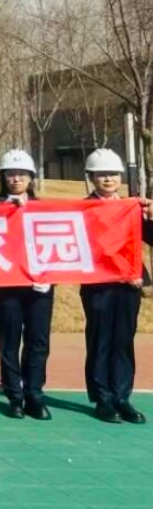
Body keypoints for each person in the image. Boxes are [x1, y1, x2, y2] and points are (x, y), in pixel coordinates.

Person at [80, 148, 149, 424]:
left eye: (112, 174)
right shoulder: (83, 209)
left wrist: (151, 215)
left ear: (121, 177)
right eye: (101, 175)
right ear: (91, 177)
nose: (108, 179)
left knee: (123, 340)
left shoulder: (132, 207)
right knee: (100, 340)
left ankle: (122, 397)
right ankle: (103, 399)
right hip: (99, 284)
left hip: (129, 284)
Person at [0, 149, 52, 420]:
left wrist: (47, 277)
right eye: (11, 174)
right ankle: (14, 396)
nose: (16, 179)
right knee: (9, 341)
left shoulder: (44, 208)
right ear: (3, 177)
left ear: (31, 177)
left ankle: (34, 394)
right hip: (7, 287)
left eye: (22, 174)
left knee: (38, 341)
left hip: (39, 287)